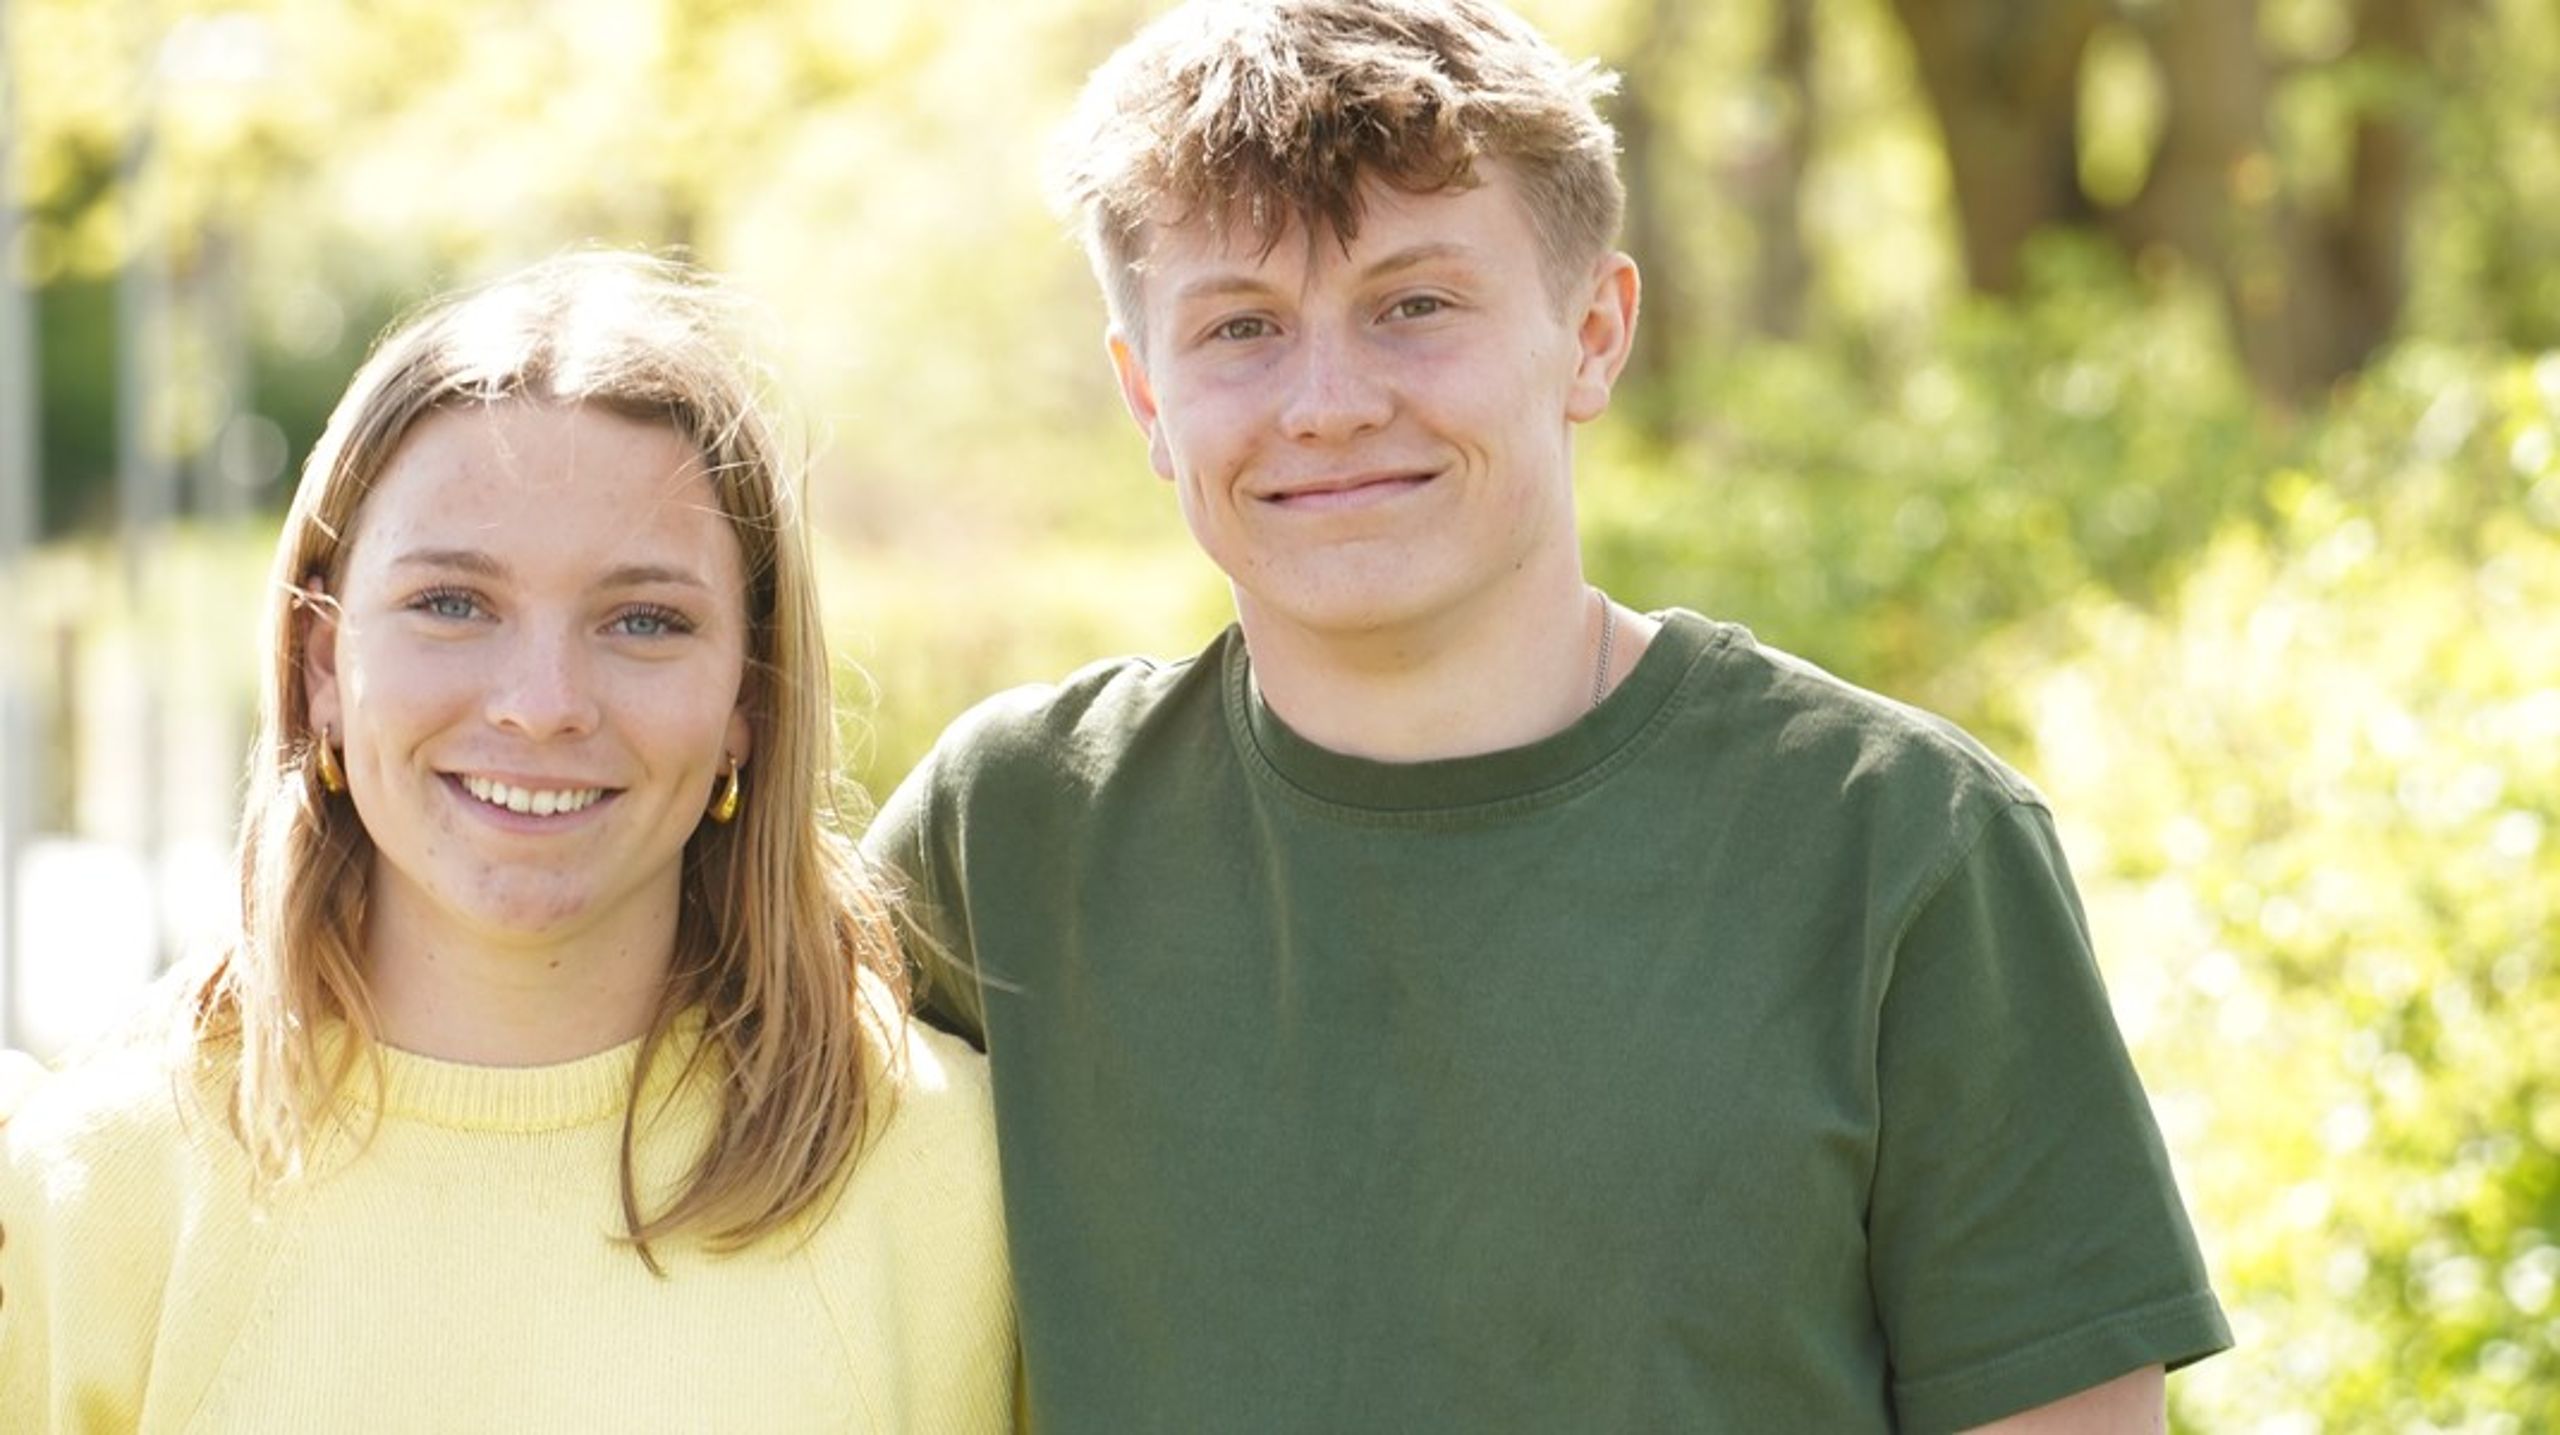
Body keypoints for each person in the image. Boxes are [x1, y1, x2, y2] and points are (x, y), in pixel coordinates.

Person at [863, 1, 2230, 1430]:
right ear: (1147, 394)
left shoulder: (1898, 842)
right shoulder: (1010, 831)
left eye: (1415, 304)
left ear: (1592, 333)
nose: (1327, 402)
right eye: (1241, 327)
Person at [0, 253, 1014, 1432]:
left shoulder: (956, 1186)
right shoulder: (85, 1198)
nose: (542, 703)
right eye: (452, 602)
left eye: (644, 619)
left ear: (751, 696)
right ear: (322, 664)